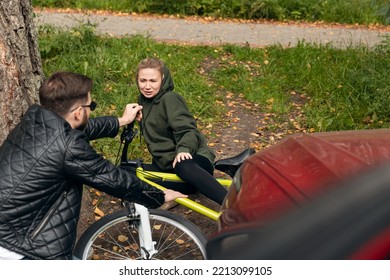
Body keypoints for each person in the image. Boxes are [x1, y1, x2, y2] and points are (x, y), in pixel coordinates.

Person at [0, 71, 186, 260]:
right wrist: (159, 194)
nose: (90, 110)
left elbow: (76, 128)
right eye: (91, 106)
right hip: (14, 248)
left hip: (11, 229)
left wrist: (120, 121)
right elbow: (113, 179)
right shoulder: (68, 147)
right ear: (79, 112)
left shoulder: (35, 120)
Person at [135, 57, 228, 206]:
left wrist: (184, 150)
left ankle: (232, 203)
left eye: (153, 81)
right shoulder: (142, 101)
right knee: (128, 171)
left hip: (193, 163)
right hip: (167, 168)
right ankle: (172, 196)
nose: (147, 86)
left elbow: (189, 130)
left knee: (182, 164)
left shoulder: (170, 99)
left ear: (163, 79)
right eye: (143, 80)